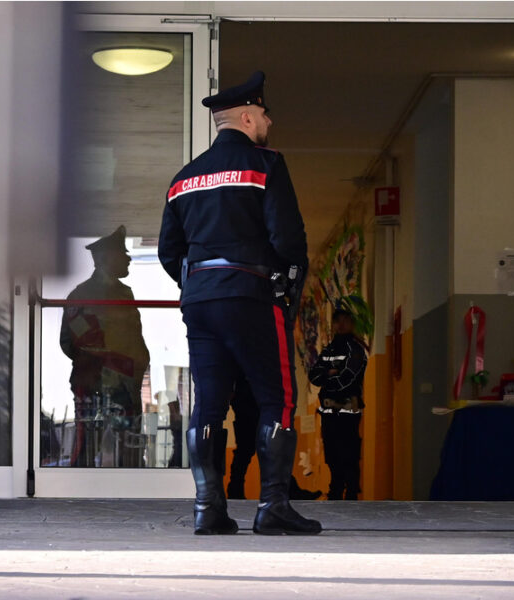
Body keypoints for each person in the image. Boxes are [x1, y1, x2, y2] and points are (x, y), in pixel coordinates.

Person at [158, 71, 321, 535]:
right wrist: (286, 290)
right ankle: (273, 507)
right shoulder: (265, 164)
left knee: (208, 403)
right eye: (265, 113)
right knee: (278, 399)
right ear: (248, 116)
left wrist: (200, 286)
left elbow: (171, 252)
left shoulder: (183, 178)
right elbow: (288, 238)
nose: (268, 120)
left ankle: (208, 509)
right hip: (251, 295)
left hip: (200, 302)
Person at [59, 225, 150, 467]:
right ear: (106, 258)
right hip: (95, 382)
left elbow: (133, 338)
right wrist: (101, 364)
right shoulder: (82, 295)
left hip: (126, 382)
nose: (128, 259)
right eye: (122, 254)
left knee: (130, 447)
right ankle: (79, 495)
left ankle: (131, 495)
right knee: (87, 444)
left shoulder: (124, 294)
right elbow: (70, 342)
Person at [228, 377, 322, 501]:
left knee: (264, 449)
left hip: (253, 399)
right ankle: (236, 490)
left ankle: (236, 490)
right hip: (249, 400)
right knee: (251, 450)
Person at [308, 308, 368, 500]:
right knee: (332, 453)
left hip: (348, 412)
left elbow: (349, 377)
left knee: (349, 453)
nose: (341, 325)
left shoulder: (356, 349)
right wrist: (329, 374)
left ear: (351, 324)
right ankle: (335, 490)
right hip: (328, 413)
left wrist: (328, 379)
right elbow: (314, 375)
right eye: (337, 321)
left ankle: (351, 493)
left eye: (345, 320)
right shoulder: (328, 349)